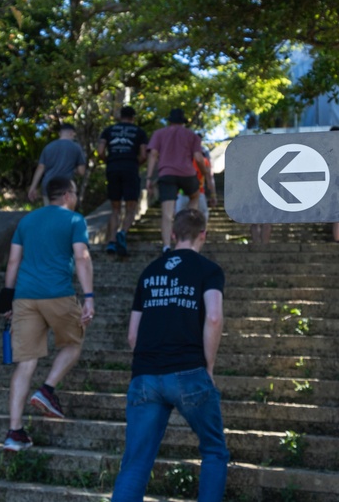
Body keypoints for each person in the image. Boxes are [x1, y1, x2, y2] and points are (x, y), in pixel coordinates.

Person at [111, 209, 230, 501]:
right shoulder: (208, 270)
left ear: (173, 234)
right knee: (214, 450)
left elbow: (132, 336)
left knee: (135, 463)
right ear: (203, 234)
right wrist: (209, 369)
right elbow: (214, 318)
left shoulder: (149, 271)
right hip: (189, 371)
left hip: (145, 376)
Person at [0, 177, 95, 452]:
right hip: (58, 294)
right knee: (73, 343)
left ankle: (14, 432)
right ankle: (48, 389)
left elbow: (14, 260)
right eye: (75, 193)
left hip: (25, 298)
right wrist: (88, 298)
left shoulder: (27, 221)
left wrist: (7, 298)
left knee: (25, 363)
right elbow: (82, 257)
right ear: (66, 194)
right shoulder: (74, 220)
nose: (75, 198)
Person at [146, 108, 216, 253]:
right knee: (195, 195)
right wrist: (205, 171)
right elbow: (198, 157)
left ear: (169, 121)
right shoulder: (192, 135)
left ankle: (166, 246)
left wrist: (149, 178)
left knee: (167, 213)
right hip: (187, 174)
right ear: (183, 122)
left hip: (166, 174)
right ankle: (189, 224)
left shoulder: (159, 134)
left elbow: (153, 154)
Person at [97, 105, 148, 256]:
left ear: (120, 116)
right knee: (131, 207)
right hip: (130, 168)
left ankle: (111, 241)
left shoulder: (109, 130)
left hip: (113, 168)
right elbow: (144, 154)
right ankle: (123, 233)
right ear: (133, 118)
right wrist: (134, 163)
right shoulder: (139, 132)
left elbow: (100, 151)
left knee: (115, 208)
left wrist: (108, 160)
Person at [27, 123, 87, 206]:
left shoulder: (48, 147)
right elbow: (81, 171)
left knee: (49, 215)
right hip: (65, 188)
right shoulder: (76, 147)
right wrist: (72, 168)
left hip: (48, 187)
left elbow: (40, 167)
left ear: (60, 133)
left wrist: (33, 187)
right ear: (71, 133)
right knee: (63, 216)